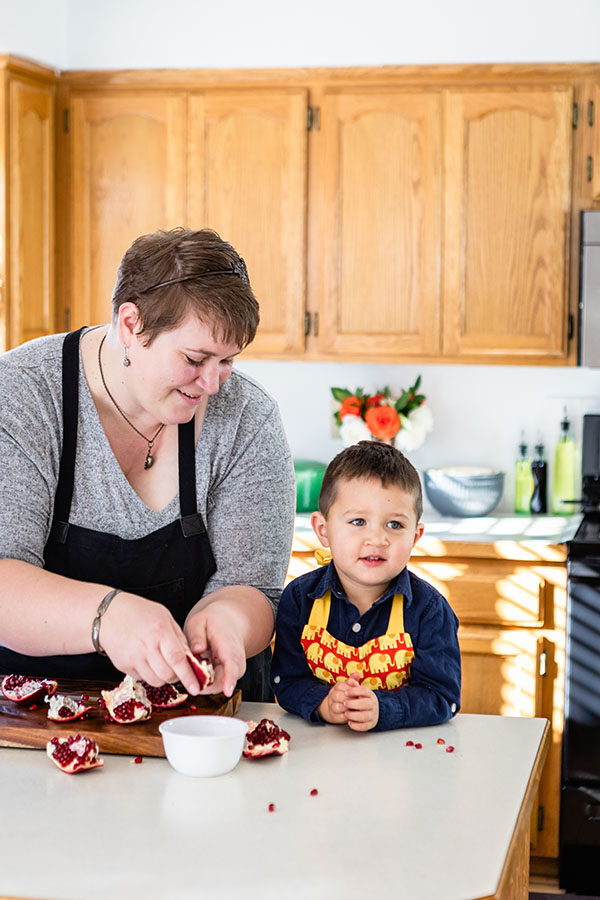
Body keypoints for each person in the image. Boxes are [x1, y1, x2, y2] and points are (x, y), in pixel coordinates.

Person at [0, 227, 296, 701]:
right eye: (195, 358)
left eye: (227, 361)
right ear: (130, 324)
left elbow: (254, 587)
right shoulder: (23, 395)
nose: (213, 385)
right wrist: (107, 617)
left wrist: (228, 619)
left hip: (195, 715)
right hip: (30, 715)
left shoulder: (247, 418)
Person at [271, 440, 461, 730]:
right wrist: (323, 704)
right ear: (323, 530)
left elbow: (441, 696)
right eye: (358, 521)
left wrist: (384, 709)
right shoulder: (299, 600)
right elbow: (287, 682)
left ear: (416, 536)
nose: (377, 539)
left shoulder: (430, 611)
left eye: (395, 525)